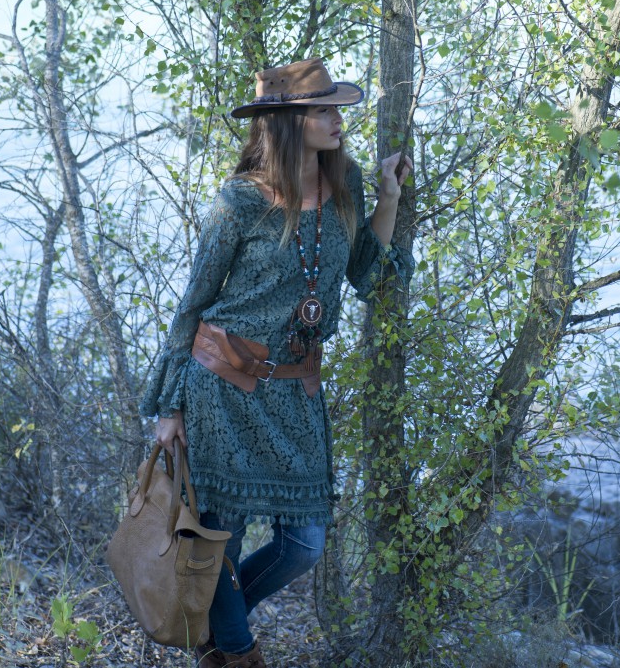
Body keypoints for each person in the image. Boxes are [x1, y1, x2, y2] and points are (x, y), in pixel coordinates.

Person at [139, 58, 414, 668]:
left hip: (295, 390)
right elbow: (194, 303)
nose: (338, 120)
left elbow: (369, 274)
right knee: (220, 539)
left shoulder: (346, 183)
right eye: (323, 110)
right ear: (289, 124)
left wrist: (389, 198)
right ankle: (237, 653)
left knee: (304, 544)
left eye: (336, 108)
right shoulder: (238, 202)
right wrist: (169, 406)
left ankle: (217, 632)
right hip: (223, 387)